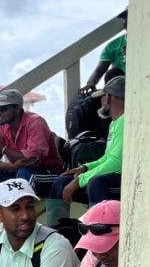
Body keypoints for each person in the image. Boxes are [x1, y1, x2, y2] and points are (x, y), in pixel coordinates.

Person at [0, 89, 64, 239]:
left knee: (24, 174)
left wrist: (2, 149)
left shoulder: (35, 122)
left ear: (17, 108)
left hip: (48, 173)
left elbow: (31, 159)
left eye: (3, 108)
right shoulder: (2, 126)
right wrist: (11, 166)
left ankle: (23, 229)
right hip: (21, 171)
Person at [47, 76, 125, 226]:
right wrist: (85, 168)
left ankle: (100, 232)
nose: (101, 100)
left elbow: (116, 162)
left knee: (96, 182)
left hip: (121, 177)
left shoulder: (125, 121)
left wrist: (80, 179)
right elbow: (108, 157)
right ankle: (54, 232)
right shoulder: (114, 123)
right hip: (112, 173)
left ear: (108, 98)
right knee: (61, 181)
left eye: (102, 96)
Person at [80, 8, 127, 95]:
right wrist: (90, 84)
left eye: (130, 18)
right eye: (125, 19)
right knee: (113, 73)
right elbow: (99, 71)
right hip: (120, 88)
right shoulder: (113, 45)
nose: (127, 22)